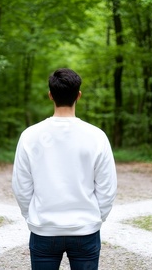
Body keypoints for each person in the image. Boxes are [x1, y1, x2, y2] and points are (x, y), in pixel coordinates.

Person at [12, 68, 117, 270]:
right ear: (79, 95)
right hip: (85, 230)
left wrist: (33, 216)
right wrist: (95, 218)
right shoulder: (97, 136)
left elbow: (21, 186)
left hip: (44, 230)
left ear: (50, 95)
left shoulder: (30, 136)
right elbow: (107, 188)